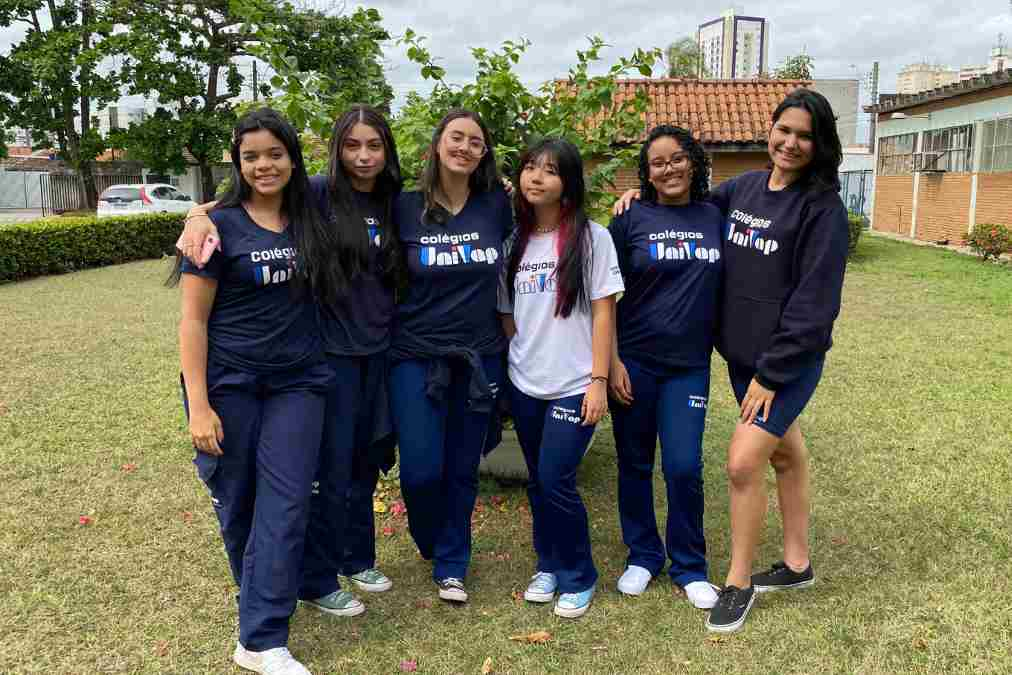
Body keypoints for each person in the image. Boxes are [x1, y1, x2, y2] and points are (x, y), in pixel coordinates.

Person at [614, 88, 849, 633]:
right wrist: (632, 199)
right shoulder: (739, 191)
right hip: (741, 360)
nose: (790, 143)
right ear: (770, 129)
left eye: (804, 136)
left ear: (820, 144)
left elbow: (815, 306)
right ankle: (796, 564)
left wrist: (772, 374)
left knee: (743, 462)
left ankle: (738, 583)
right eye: (783, 130)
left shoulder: (822, 209)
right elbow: (683, 209)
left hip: (783, 366)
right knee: (786, 457)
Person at [177, 104, 405, 615]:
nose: (364, 155)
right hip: (301, 359)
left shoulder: (384, 202)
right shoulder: (316, 196)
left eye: (275, 155)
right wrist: (197, 214)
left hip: (352, 360)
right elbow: (235, 210)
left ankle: (333, 567)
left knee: (342, 470)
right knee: (282, 485)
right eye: (352, 144)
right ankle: (287, 584)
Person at [173, 107, 340, 675]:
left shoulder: (312, 209)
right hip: (229, 385)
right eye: (251, 157)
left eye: (275, 153)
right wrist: (199, 405)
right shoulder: (218, 227)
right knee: (239, 503)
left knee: (288, 500)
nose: (264, 165)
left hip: (299, 382)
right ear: (238, 164)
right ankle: (265, 595)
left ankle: (260, 638)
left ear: (292, 157)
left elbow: (373, 177)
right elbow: (192, 322)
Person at [388, 109, 512, 603]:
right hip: (414, 354)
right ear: (438, 145)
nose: (464, 147)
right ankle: (430, 539)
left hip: (480, 357)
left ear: (483, 154)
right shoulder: (403, 205)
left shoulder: (496, 206)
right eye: (456, 138)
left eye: (475, 142)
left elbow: (558, 206)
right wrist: (205, 211)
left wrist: (632, 197)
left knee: (463, 468)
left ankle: (452, 563)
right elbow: (322, 197)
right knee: (420, 471)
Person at [499, 138, 623, 619]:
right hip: (526, 381)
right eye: (529, 167)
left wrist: (598, 379)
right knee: (538, 479)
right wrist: (523, 353)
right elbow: (508, 314)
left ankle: (578, 575)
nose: (535, 177)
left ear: (567, 182)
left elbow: (604, 313)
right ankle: (547, 563)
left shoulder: (593, 237)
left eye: (549, 171)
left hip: (575, 383)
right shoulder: (515, 242)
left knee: (556, 478)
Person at [607, 125, 723, 610]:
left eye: (677, 159)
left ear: (693, 162)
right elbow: (602, 296)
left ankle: (689, 565)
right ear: (646, 173)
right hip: (634, 363)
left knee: (682, 466)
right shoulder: (629, 219)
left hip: (688, 366)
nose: (668, 168)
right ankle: (642, 555)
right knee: (634, 463)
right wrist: (610, 362)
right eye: (657, 163)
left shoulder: (716, 216)